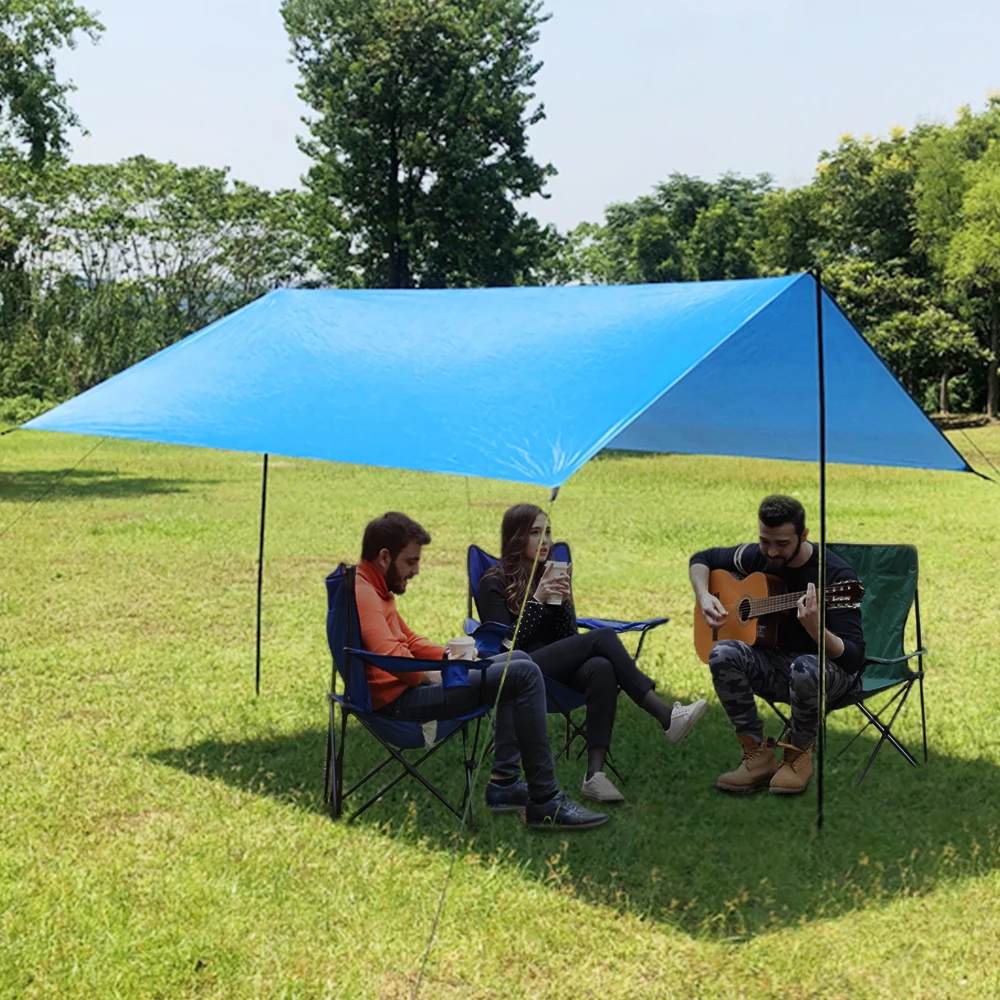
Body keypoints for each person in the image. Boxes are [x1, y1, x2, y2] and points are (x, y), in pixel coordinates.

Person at [355, 511, 608, 830]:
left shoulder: (374, 588)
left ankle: (505, 785)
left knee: (517, 659)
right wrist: (441, 674)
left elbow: (409, 640)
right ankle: (545, 801)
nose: (416, 570)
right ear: (384, 557)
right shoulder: (364, 594)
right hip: (402, 704)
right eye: (411, 561)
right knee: (522, 673)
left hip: (414, 685)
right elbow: (390, 655)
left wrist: (454, 657)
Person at [476, 503, 707, 804]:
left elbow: (568, 640)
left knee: (601, 667)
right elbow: (505, 649)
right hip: (517, 671)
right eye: (535, 533)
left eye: (548, 532)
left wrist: (563, 603)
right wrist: (537, 601)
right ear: (516, 537)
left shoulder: (547, 574)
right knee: (602, 638)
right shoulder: (492, 583)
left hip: (553, 671)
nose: (545, 540)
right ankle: (665, 717)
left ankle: (594, 777)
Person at [689, 494, 865, 795]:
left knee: (805, 666)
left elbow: (853, 660)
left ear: (803, 535)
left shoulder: (836, 578)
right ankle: (757, 756)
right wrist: (704, 596)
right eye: (764, 541)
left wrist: (817, 631)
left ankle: (798, 756)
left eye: (782, 543)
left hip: (827, 672)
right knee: (722, 653)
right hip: (778, 664)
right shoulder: (759, 557)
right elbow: (702, 559)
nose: (772, 552)